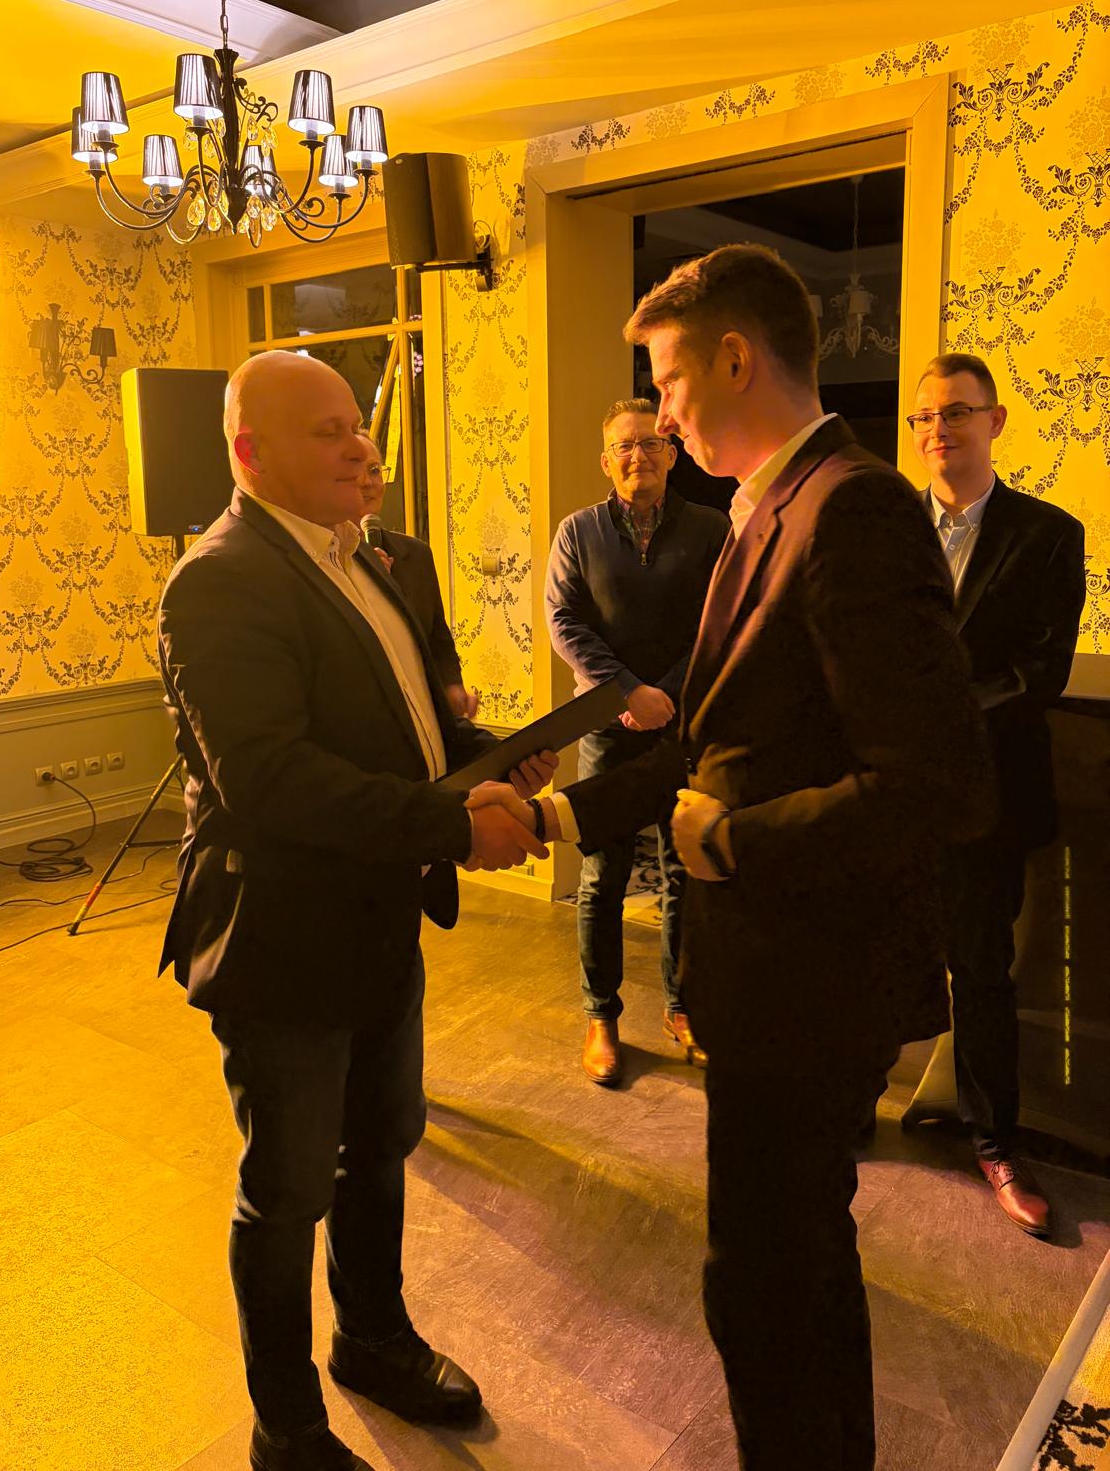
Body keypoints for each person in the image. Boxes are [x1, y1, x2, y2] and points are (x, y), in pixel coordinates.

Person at [473, 245, 994, 1471]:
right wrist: (554, 818)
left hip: (815, 980)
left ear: (734, 358)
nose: (660, 415)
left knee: (764, 1283)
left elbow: (939, 784)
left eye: (667, 381)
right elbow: (712, 743)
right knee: (789, 1270)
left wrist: (733, 840)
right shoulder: (769, 503)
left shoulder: (852, 506)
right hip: (771, 978)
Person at [157, 351, 554, 1471]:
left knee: (379, 1145)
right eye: (326, 431)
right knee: (286, 1190)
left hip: (379, 912)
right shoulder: (218, 579)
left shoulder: (374, 558)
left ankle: (373, 1338)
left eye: (357, 426)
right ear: (250, 453)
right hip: (281, 934)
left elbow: (406, 724)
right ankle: (287, 1427)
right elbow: (269, 779)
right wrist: (451, 828)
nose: (359, 446)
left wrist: (490, 757)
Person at [907, 352, 1085, 1238]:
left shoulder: (1048, 533)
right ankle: (857, 1102)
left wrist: (941, 719)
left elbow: (1043, 670)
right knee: (875, 950)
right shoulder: (884, 528)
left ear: (995, 421)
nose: (939, 429)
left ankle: (994, 1141)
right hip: (885, 791)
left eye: (957, 412)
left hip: (986, 791)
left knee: (980, 971)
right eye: (926, 416)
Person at [545, 398, 728, 1084]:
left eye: (651, 443)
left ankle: (683, 1007)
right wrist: (626, 691)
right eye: (624, 445)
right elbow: (565, 621)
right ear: (606, 460)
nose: (638, 455)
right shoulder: (578, 532)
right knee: (602, 876)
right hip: (606, 727)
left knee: (685, 871)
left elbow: (718, 621)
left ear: (672, 454)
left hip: (683, 727)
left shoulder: (711, 528)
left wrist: (664, 695)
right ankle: (601, 1017)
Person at [354, 431, 478, 720]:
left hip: (424, 716)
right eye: (355, 471)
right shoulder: (326, 561)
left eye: (375, 470)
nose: (367, 482)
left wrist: (452, 687)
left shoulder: (417, 554)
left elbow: (437, 637)